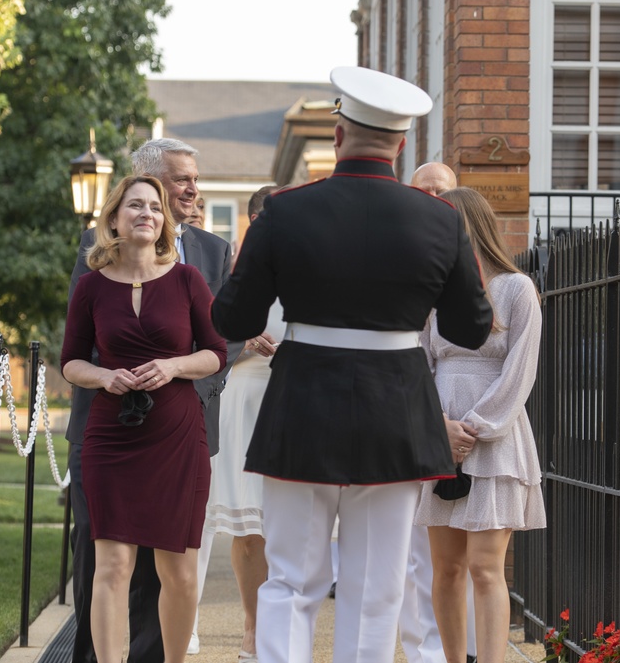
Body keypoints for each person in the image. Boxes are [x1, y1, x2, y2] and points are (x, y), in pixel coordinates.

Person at [210, 66, 493, 663]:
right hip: (396, 414)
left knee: (290, 579)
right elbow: (470, 327)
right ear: (401, 144)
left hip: (303, 405)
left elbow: (232, 320)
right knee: (375, 588)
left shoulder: (283, 212)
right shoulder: (441, 219)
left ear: (338, 135)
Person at [65, 138, 238, 663]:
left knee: (176, 573)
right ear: (114, 216)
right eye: (177, 181)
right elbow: (71, 357)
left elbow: (218, 346)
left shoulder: (203, 260)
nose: (189, 190)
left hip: (179, 431)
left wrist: (174, 367)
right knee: (108, 565)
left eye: (156, 205)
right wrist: (104, 376)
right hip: (110, 431)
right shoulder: (93, 278)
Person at [414, 186, 546, 663]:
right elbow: (420, 366)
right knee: (445, 568)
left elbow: (520, 371)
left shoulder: (517, 288)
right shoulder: (432, 294)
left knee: (486, 567)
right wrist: (439, 428)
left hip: (494, 441)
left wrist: (471, 429)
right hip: (440, 438)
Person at [201, 185, 283, 662]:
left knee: (291, 526)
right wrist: (242, 343)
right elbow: (205, 337)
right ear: (252, 222)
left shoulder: (309, 273)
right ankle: (252, 628)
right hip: (244, 399)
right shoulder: (228, 273)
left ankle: (280, 628)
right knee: (248, 528)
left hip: (295, 399)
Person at [401, 161, 477, 663]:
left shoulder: (471, 271)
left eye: (442, 191)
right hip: (405, 419)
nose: (433, 197)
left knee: (459, 557)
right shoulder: (397, 262)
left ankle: (460, 650)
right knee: (411, 555)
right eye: (424, 190)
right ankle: (424, 651)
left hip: (459, 426)